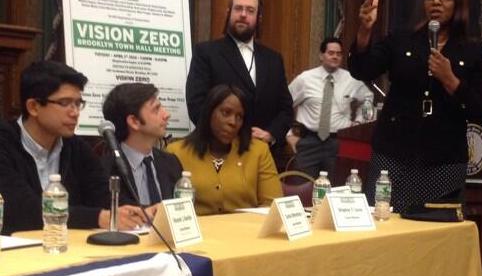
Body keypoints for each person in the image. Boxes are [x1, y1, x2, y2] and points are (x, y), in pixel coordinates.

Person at [348, 0, 482, 212]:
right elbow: (362, 69)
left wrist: (451, 80)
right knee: (384, 226)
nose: (436, 2)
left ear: (458, 4)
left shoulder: (472, 50)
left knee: (435, 235)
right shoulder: (402, 40)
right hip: (394, 155)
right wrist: (364, 31)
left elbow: (479, 110)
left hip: (442, 161)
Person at [0, 61, 148, 235]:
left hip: (67, 249)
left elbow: (103, 196)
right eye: (65, 103)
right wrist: (99, 218)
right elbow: (21, 209)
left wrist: (141, 212)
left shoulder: (76, 147)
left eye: (78, 103)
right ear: (33, 107)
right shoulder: (5, 142)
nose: (75, 112)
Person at [185, 0, 293, 149]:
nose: (243, 14)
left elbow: (286, 109)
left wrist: (270, 134)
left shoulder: (273, 59)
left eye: (250, 10)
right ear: (229, 13)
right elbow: (196, 103)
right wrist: (227, 135)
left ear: (259, 18)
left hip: (264, 152)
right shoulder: (206, 52)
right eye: (238, 9)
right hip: (217, 150)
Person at [167, 84, 282, 215]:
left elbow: (272, 205)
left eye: (239, 117)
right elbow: (165, 209)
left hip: (245, 231)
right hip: (198, 233)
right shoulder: (176, 152)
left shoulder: (258, 151)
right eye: (226, 113)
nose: (233, 122)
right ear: (209, 112)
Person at [287, 37, 373, 183]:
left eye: (339, 54)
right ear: (321, 56)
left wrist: (360, 122)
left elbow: (368, 98)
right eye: (331, 53)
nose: (335, 56)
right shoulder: (305, 79)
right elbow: (284, 104)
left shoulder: (351, 79)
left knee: (336, 188)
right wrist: (288, 134)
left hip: (338, 143)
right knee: (302, 188)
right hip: (309, 142)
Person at [101, 83, 183, 215]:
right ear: (134, 121)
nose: (167, 114)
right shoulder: (106, 170)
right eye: (156, 109)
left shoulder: (171, 163)